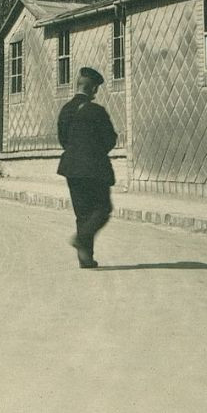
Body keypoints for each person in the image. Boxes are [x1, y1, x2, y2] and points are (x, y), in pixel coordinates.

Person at [56, 66, 116, 269]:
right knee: (102, 208)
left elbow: (63, 140)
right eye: (96, 88)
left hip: (71, 168)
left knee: (82, 214)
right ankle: (81, 240)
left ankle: (86, 258)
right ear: (91, 89)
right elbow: (110, 140)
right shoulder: (97, 111)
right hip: (95, 170)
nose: (96, 92)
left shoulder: (65, 110)